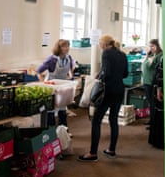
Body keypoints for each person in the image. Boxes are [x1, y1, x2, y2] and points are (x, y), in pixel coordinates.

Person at [78, 34, 128, 162]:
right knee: (113, 120)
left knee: (96, 120)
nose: (100, 47)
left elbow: (107, 72)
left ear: (105, 44)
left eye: (100, 45)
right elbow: (125, 74)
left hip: (107, 91)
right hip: (119, 90)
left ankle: (93, 153)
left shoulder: (106, 53)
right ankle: (111, 150)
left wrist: (99, 76)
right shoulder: (122, 54)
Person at [37, 39, 75, 126]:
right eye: (64, 46)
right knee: (51, 109)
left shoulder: (68, 58)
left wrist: (71, 76)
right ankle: (51, 131)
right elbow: (39, 71)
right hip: (51, 87)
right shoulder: (52, 59)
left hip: (62, 86)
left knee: (63, 107)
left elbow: (70, 68)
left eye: (68, 46)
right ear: (59, 48)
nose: (66, 48)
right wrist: (44, 84)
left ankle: (64, 130)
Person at [141, 39, 163, 128]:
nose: (151, 48)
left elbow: (158, 69)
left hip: (152, 82)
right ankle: (151, 120)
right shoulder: (151, 55)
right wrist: (147, 56)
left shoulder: (159, 56)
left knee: (153, 103)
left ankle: (154, 122)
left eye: (153, 46)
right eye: (150, 46)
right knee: (150, 102)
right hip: (146, 81)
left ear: (157, 46)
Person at [148, 55, 164, 149]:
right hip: (159, 90)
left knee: (160, 115)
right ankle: (157, 141)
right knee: (158, 114)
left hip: (161, 90)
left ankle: (159, 141)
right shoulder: (163, 58)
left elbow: (160, 75)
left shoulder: (164, 58)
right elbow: (159, 76)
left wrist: (159, 89)